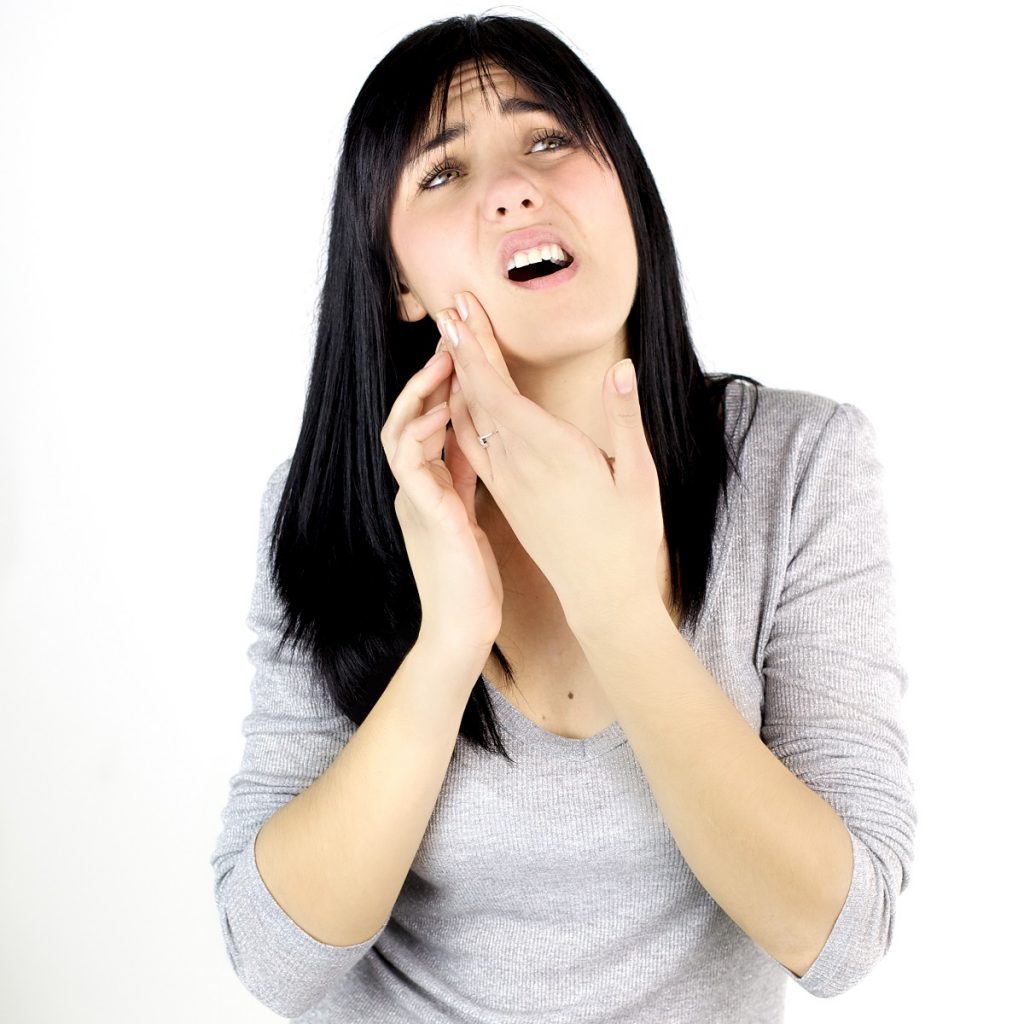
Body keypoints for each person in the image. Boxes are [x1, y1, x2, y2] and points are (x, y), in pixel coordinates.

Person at [210, 13, 916, 1022]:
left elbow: (840, 936)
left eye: (548, 139)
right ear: (398, 280)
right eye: (443, 174)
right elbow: (272, 959)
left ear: (626, 189)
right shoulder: (334, 500)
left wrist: (617, 609)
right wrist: (447, 643)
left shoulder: (799, 465)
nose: (513, 186)